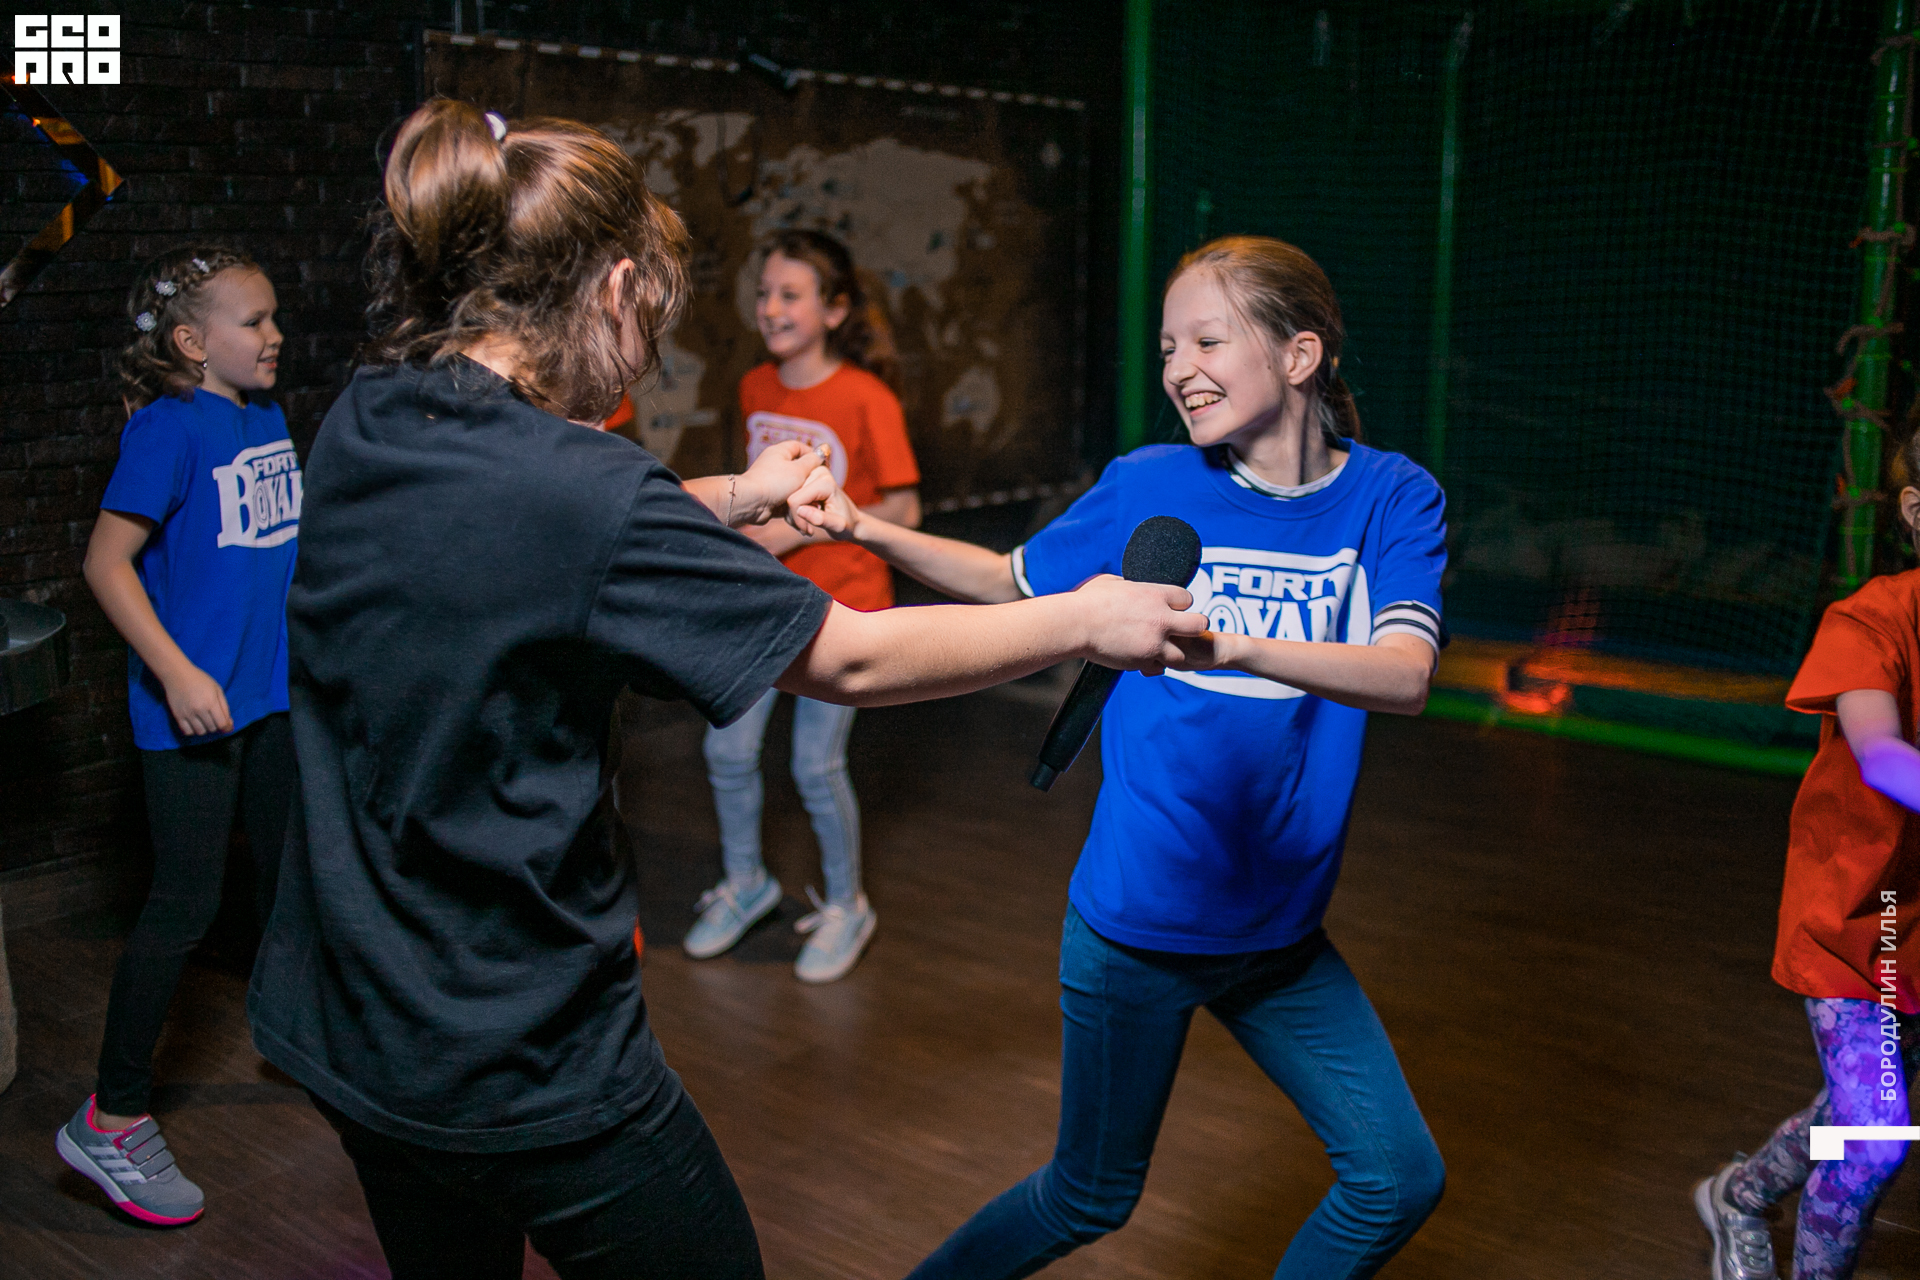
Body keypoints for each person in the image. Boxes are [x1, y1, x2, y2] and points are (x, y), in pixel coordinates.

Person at [243, 100, 1204, 1280]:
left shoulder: (374, 411)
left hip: (346, 1016)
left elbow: (539, 532)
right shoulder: (585, 485)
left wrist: (736, 495)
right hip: (514, 1046)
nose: (645, 353)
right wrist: (1085, 617)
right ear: (613, 287)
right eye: (650, 317)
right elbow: (848, 656)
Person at [810, 234, 1450, 1279]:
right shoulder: (1149, 483)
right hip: (1138, 928)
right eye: (1166, 349)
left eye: (1207, 340)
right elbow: (1010, 580)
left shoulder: (1392, 497)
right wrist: (865, 528)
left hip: (1279, 931)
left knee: (1396, 1175)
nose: (1178, 369)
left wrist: (1231, 641)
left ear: (1299, 355)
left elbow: (1404, 673)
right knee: (1090, 1194)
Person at [57, 245, 296, 1226]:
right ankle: (111, 1117)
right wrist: (178, 671)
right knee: (185, 905)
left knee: (289, 876)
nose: (275, 335)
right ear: (194, 341)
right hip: (194, 709)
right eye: (254, 321)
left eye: (274, 316)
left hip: (272, 697)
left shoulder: (267, 416)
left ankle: (302, 1038)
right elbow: (105, 563)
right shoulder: (168, 427)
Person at [1693, 432, 1920, 1280]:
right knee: (1876, 1136)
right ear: (1916, 511)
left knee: (1858, 1119)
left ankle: (1741, 1195)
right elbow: (1882, 756)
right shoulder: (1870, 621)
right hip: (1860, 918)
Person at [683, 229, 921, 983]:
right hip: (762, 604)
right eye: (764, 293)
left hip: (840, 612)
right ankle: (747, 882)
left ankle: (848, 905)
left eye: (791, 294)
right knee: (726, 752)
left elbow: (905, 508)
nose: (771, 308)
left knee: (815, 766)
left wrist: (796, 533)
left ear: (835, 310)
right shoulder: (756, 386)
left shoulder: (867, 396)